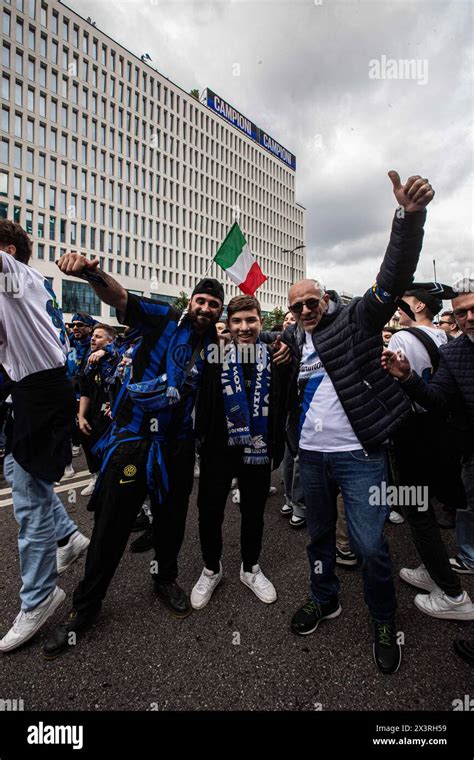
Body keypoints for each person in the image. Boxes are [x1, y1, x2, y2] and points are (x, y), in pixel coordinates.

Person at [283, 171, 435, 675]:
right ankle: (325, 597)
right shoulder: (288, 341)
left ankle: (384, 618)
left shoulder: (356, 320)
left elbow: (390, 279)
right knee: (320, 538)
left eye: (312, 302)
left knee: (370, 545)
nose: (306, 310)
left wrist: (408, 219)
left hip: (360, 457)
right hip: (312, 459)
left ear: (325, 300)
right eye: (296, 306)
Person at [44, 256, 226, 658]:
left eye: (214, 305)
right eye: (201, 301)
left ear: (218, 312)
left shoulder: (214, 345)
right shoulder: (164, 318)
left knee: (172, 519)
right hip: (135, 441)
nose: (206, 309)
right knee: (111, 525)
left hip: (177, 447)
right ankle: (83, 609)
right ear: (191, 301)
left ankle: (165, 578)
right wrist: (91, 275)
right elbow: (122, 298)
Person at [0, 221, 89, 653]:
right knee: (18, 468)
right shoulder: (24, 287)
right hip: (38, 388)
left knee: (28, 502)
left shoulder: (11, 275)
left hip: (42, 389)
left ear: (9, 250)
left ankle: (39, 597)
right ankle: (69, 537)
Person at [381, 277, 474, 647]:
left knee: (416, 508)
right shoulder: (450, 340)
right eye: (462, 311)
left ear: (417, 306)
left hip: (413, 434)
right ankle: (431, 569)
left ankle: (452, 594)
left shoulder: (402, 339)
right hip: (445, 436)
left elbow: (404, 388)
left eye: (402, 302)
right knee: (434, 503)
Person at [191, 295, 291, 609]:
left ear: (261, 322)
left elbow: (286, 401)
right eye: (237, 321)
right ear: (229, 324)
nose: (244, 327)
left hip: (257, 450)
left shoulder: (277, 357)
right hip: (218, 451)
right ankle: (211, 568)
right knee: (209, 512)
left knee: (253, 514)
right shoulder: (214, 355)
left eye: (251, 320)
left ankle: (250, 568)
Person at [78, 324, 117, 496]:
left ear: (110, 341)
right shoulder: (88, 360)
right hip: (92, 411)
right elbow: (84, 391)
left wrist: (107, 351)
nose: (93, 338)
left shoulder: (118, 358)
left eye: (99, 336)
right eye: (93, 335)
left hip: (111, 414)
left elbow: (121, 349)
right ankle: (96, 477)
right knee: (89, 442)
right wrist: (81, 416)